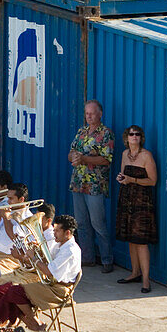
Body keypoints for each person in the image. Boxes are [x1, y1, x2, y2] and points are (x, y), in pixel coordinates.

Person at [0, 215, 83, 330]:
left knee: (14, 292)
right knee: (12, 291)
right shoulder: (60, 244)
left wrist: (34, 258)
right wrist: (31, 253)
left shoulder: (70, 250)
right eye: (54, 230)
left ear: (67, 233)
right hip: (51, 284)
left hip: (59, 290)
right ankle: (32, 323)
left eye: (57, 231)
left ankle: (34, 323)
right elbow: (45, 262)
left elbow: (48, 271)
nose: (54, 233)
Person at [68, 100, 115, 272]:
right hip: (78, 183)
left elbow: (106, 159)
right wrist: (73, 157)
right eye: (87, 113)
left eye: (92, 113)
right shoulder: (81, 132)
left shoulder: (106, 134)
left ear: (100, 114)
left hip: (95, 184)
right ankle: (87, 257)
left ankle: (106, 259)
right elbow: (71, 152)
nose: (89, 116)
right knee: (81, 222)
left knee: (98, 223)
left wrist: (84, 159)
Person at [115, 126, 159, 293]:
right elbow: (122, 173)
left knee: (141, 241)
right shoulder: (124, 154)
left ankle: (146, 280)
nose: (134, 137)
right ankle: (135, 273)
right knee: (131, 239)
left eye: (137, 134)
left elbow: (153, 180)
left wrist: (132, 179)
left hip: (142, 202)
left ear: (141, 137)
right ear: (126, 138)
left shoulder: (146, 156)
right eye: (131, 134)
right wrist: (122, 178)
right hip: (127, 199)